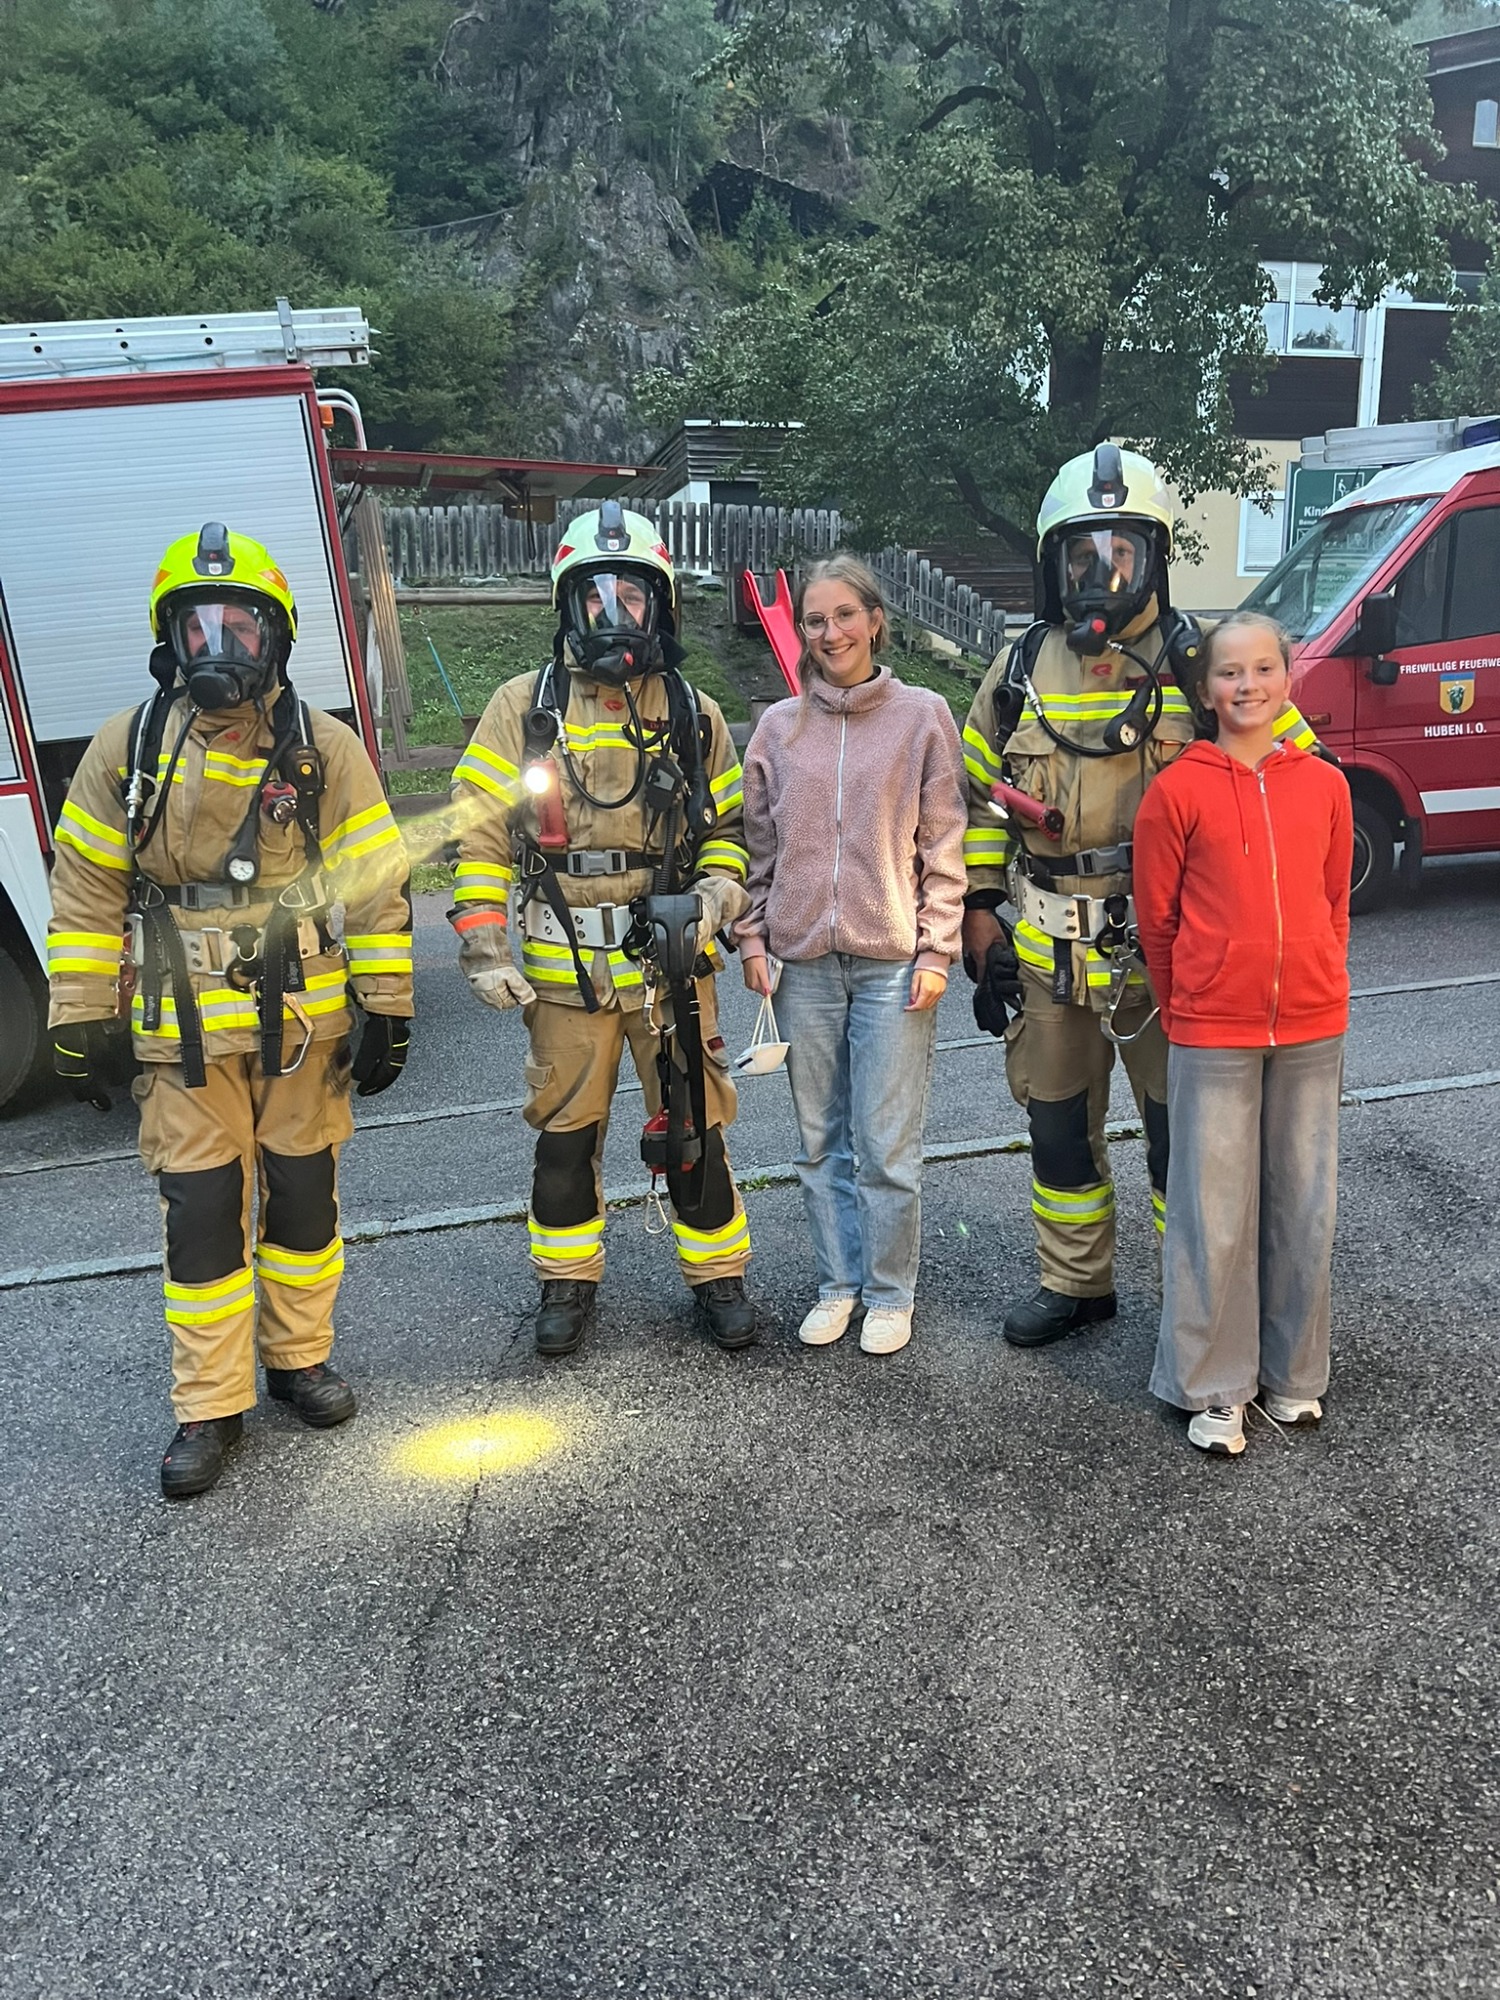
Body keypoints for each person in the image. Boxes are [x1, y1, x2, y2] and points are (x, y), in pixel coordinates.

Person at [47, 523, 413, 1498]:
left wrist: (387, 1002)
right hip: (184, 1044)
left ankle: (298, 1360)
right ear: (169, 639)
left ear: (275, 637)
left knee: (302, 1204)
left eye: (240, 626)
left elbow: (378, 880)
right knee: (203, 1218)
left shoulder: (322, 747)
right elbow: (86, 888)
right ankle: (210, 1405)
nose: (220, 645)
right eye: (199, 625)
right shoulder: (129, 749)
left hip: (301, 1033)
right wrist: (79, 1013)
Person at [960, 446, 1320, 1348]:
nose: (1104, 573)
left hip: (1172, 962)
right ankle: (1075, 1285)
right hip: (1049, 959)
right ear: (1053, 562)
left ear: (1155, 556)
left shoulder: (1205, 662)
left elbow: (1299, 779)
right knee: (1056, 1132)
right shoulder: (1018, 671)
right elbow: (980, 801)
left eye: (1123, 551)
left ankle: (1193, 1308)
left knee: (1181, 1140)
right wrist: (979, 907)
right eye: (1083, 554)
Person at [450, 503, 755, 1358]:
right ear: (567, 605)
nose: (613, 613)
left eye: (632, 595)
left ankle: (719, 1278)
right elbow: (479, 837)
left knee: (694, 1129)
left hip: (671, 966)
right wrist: (485, 947)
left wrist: (715, 898)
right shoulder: (522, 708)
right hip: (565, 975)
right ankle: (566, 1284)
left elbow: (730, 832)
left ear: (661, 606)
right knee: (564, 1138)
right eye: (595, 596)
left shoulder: (693, 712)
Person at [1132, 611, 1352, 1456]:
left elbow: (1333, 901)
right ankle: (1215, 1386)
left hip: (1311, 1023)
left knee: (1304, 1202)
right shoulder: (1176, 791)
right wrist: (1189, 999)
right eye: (1230, 672)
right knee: (1212, 1212)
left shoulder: (1324, 785)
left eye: (1264, 669)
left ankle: (1295, 1373)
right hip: (1212, 1026)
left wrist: (1322, 974)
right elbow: (1158, 921)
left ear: (1287, 678)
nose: (1248, 686)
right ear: (1206, 687)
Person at [737, 556, 966, 1355]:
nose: (829, 632)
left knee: (887, 1145)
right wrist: (753, 936)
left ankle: (891, 1294)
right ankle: (838, 1285)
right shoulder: (778, 728)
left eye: (843, 615)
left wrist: (937, 950)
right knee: (817, 1143)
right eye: (814, 620)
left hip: (892, 965)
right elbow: (757, 849)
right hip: (802, 965)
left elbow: (944, 842)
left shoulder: (923, 717)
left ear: (874, 620)